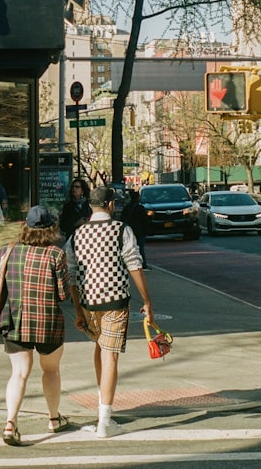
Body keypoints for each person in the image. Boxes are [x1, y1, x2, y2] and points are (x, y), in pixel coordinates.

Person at [64, 185, 154, 439]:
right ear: (111, 205)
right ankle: (105, 419)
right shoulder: (121, 230)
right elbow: (134, 264)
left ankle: (102, 408)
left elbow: (72, 274)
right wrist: (147, 301)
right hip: (115, 300)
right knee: (110, 356)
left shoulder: (77, 234)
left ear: (90, 206)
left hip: (89, 302)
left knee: (99, 349)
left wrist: (77, 308)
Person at [0, 205, 72, 446]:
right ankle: (53, 419)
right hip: (48, 323)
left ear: (25, 227)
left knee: (19, 373)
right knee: (50, 370)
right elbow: (63, 295)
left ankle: (11, 423)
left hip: (16, 320)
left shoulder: (7, 252)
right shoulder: (56, 255)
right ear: (51, 229)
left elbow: (2, 288)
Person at [120, 188, 150, 269]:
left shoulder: (127, 208)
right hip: (140, 231)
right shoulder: (140, 208)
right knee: (140, 249)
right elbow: (145, 220)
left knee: (130, 248)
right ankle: (143, 264)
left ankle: (130, 264)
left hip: (130, 230)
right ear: (138, 198)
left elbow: (122, 218)